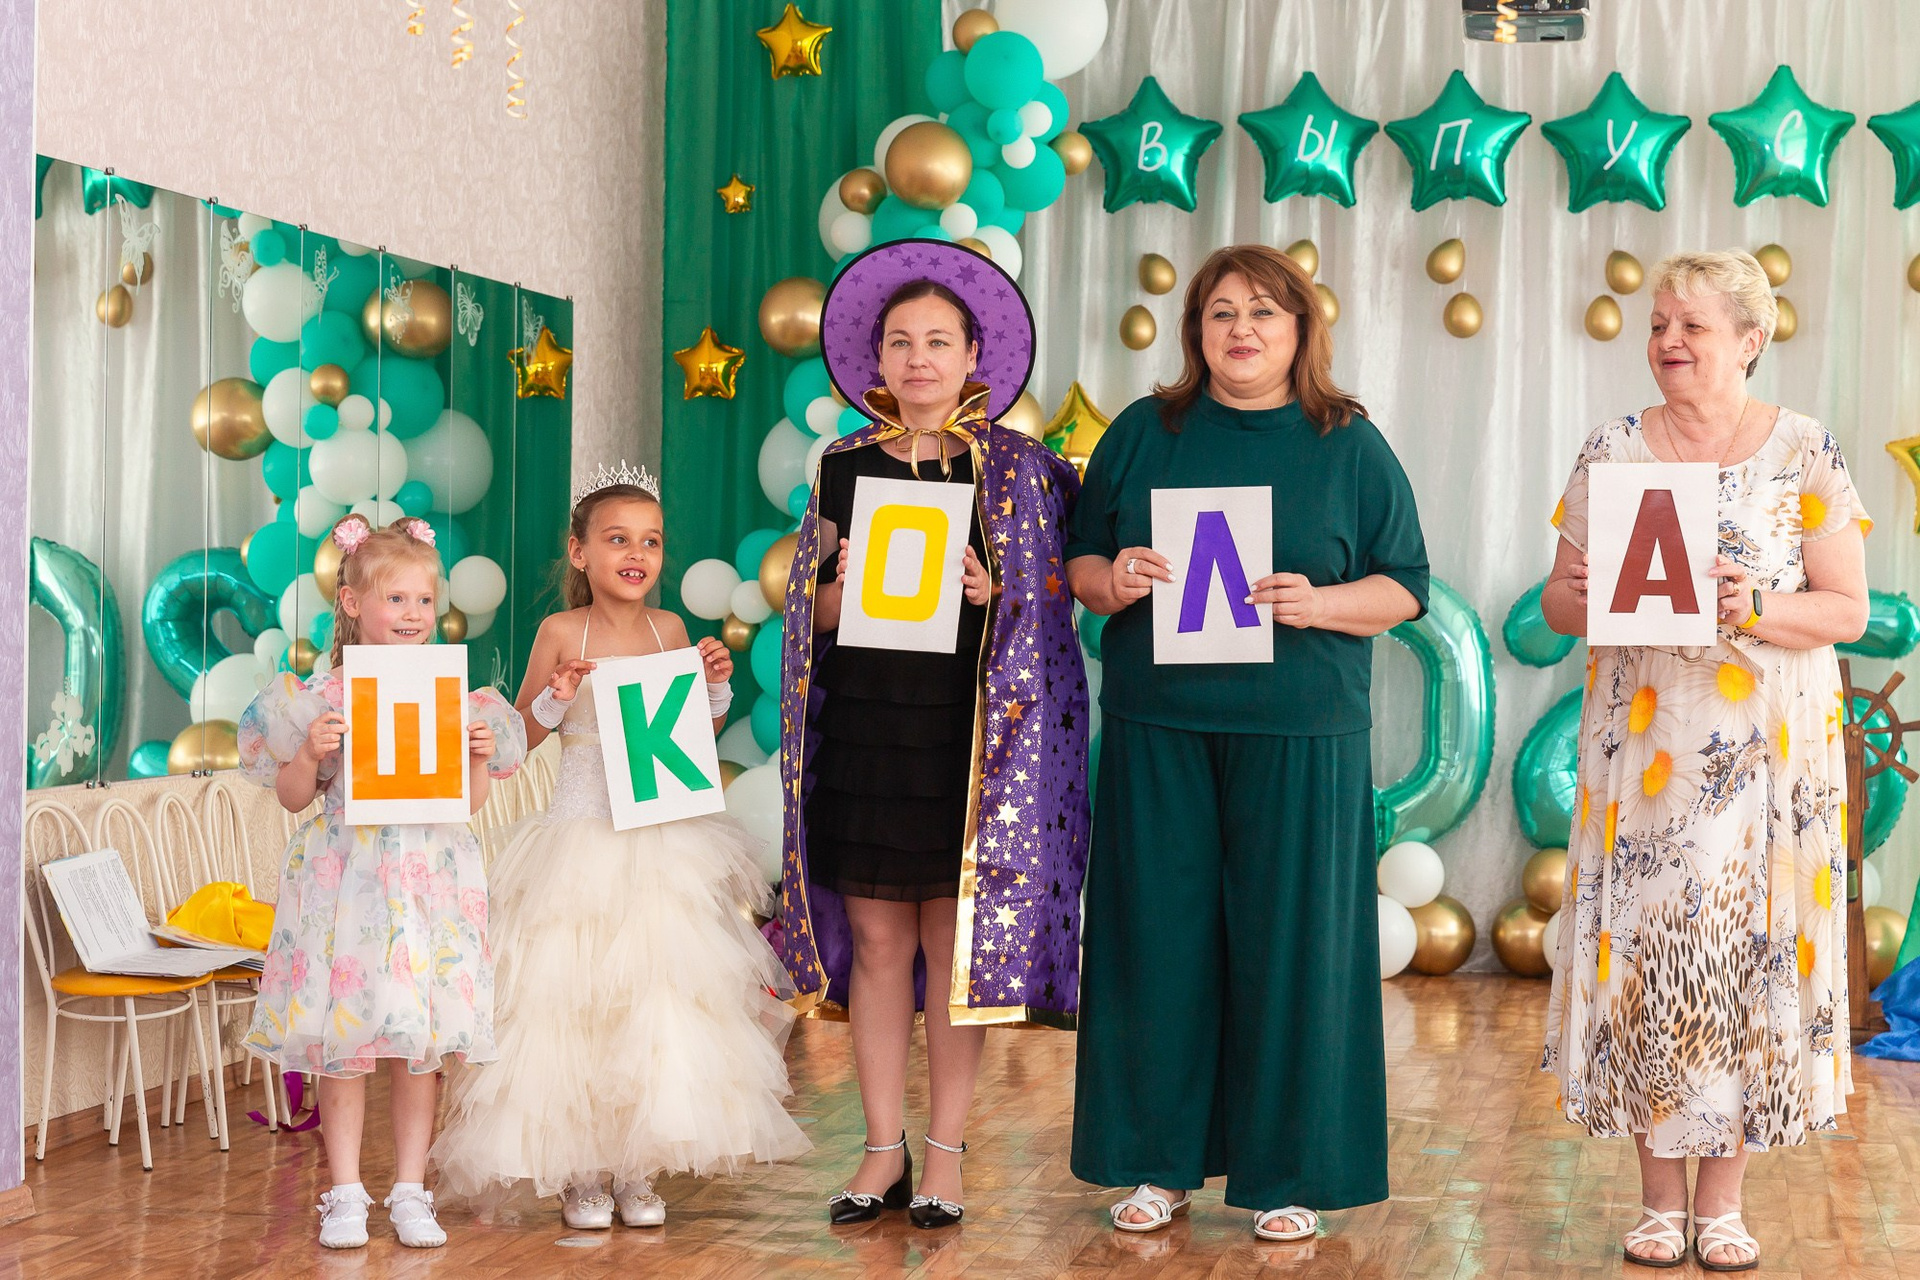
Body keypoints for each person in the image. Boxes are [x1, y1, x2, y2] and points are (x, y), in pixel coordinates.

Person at [1065, 244, 1428, 1243]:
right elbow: (1080, 560)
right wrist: (1112, 581)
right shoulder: (1145, 431)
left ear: (1300, 329)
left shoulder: (1349, 443)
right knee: (1155, 942)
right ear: (1197, 331)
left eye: (1264, 311)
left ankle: (1289, 1173)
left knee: (1294, 949)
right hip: (1160, 726)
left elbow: (1405, 586)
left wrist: (1320, 603)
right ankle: (1155, 1163)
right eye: (1222, 311)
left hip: (1302, 731)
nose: (1242, 329)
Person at [1539, 250, 1871, 1271]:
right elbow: (1556, 602)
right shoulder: (1613, 449)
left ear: (1750, 339)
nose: (1669, 341)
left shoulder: (1806, 449)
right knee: (1651, 962)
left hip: (1765, 763)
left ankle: (1722, 1204)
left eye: (1692, 325)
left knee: (1739, 965)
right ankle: (1656, 1202)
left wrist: (1754, 604)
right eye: (1658, 324)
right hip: (1644, 758)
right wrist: (1584, 592)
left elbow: (1847, 610)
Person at [775, 238, 1089, 1230]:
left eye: (938, 341)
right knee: (876, 941)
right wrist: (841, 587)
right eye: (901, 342)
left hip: (971, 735)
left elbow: (1054, 604)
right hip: (869, 727)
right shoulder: (842, 466)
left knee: (953, 944)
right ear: (875, 359)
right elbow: (810, 615)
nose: (919, 359)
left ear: (972, 356)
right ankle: (882, 1149)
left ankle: (947, 1153)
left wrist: (999, 593)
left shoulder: (1019, 470)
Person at [432, 464, 809, 1229]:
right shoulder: (560, 632)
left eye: (651, 541)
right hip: (578, 843)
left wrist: (714, 685)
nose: (636, 554)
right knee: (577, 1006)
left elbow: (686, 737)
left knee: (653, 1004)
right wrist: (555, 698)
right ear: (580, 552)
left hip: (657, 845)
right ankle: (582, 1172)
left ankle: (637, 1167)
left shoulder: (668, 630)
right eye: (617, 540)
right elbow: (520, 737)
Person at [238, 515, 527, 1250]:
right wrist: (310, 752)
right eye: (395, 599)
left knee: (414, 1043)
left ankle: (409, 1189)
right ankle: (343, 1192)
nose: (412, 614)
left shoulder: (449, 695)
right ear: (352, 602)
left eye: (424, 600)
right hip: (350, 883)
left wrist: (475, 756)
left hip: (426, 882)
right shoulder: (323, 695)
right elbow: (293, 797)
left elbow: (467, 803)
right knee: (348, 1040)